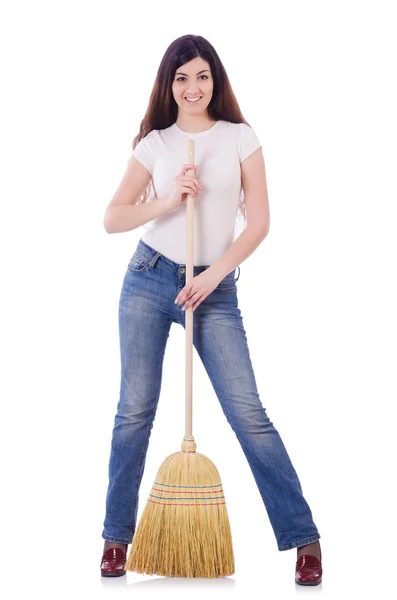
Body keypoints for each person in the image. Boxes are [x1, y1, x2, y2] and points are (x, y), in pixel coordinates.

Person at [100, 34, 322, 585]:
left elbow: (261, 223)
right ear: (168, 85)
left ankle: (305, 540)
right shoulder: (155, 144)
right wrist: (170, 199)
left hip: (215, 289)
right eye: (181, 78)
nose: (192, 88)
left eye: (201, 76)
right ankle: (114, 540)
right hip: (149, 281)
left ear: (215, 80)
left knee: (248, 413)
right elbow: (113, 217)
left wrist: (214, 275)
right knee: (134, 411)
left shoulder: (240, 138)